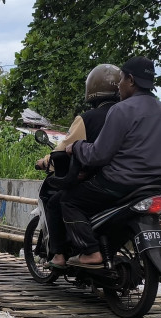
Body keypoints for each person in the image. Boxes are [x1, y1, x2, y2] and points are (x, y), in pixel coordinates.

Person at [60, 55, 161, 268]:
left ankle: (90, 252)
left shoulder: (121, 110)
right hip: (153, 189)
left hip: (118, 185)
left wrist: (77, 147)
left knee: (68, 200)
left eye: (121, 80)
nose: (118, 87)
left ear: (131, 81)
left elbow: (98, 155)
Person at [38, 64, 122, 269]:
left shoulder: (87, 119)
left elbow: (64, 148)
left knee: (58, 201)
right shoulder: (127, 115)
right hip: (129, 182)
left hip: (98, 182)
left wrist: (44, 161)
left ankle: (59, 255)